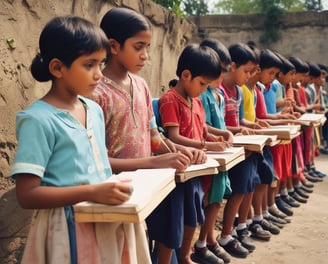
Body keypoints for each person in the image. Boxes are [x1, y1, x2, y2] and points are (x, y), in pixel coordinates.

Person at [10, 16, 138, 264]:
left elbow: (99, 167)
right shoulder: (38, 119)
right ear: (58, 68)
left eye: (101, 64)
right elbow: (26, 195)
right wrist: (93, 191)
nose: (99, 74)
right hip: (64, 231)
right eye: (89, 65)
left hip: (104, 223)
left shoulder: (94, 110)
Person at [91, 7, 206, 264]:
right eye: (139, 47)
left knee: (174, 200)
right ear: (114, 46)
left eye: (148, 48)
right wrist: (155, 161)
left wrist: (176, 152)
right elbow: (97, 162)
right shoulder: (96, 94)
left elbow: (153, 134)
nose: (145, 56)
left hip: (147, 184)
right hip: (116, 191)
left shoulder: (141, 85)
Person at [158, 43, 223, 264]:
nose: (204, 89)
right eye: (202, 83)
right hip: (180, 173)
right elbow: (174, 137)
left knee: (193, 218)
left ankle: (185, 256)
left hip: (197, 171)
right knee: (174, 223)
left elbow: (202, 128)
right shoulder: (170, 100)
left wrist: (215, 137)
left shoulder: (196, 101)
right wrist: (206, 145)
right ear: (186, 75)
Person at [191, 38, 234, 264]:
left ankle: (209, 240)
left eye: (223, 72)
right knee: (207, 202)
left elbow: (211, 126)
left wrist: (223, 134)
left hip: (220, 155)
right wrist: (212, 141)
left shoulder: (217, 95)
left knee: (216, 200)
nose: (221, 77)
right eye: (219, 73)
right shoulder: (202, 95)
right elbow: (200, 128)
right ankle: (202, 243)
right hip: (207, 156)